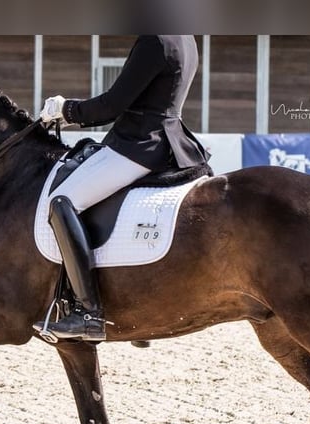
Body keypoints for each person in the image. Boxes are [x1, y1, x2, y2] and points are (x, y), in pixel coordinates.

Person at [35, 35, 211, 342]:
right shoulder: (186, 38)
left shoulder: (155, 40)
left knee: (63, 200)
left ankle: (88, 313)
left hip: (140, 144)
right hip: (165, 141)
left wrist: (66, 110)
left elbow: (112, 105)